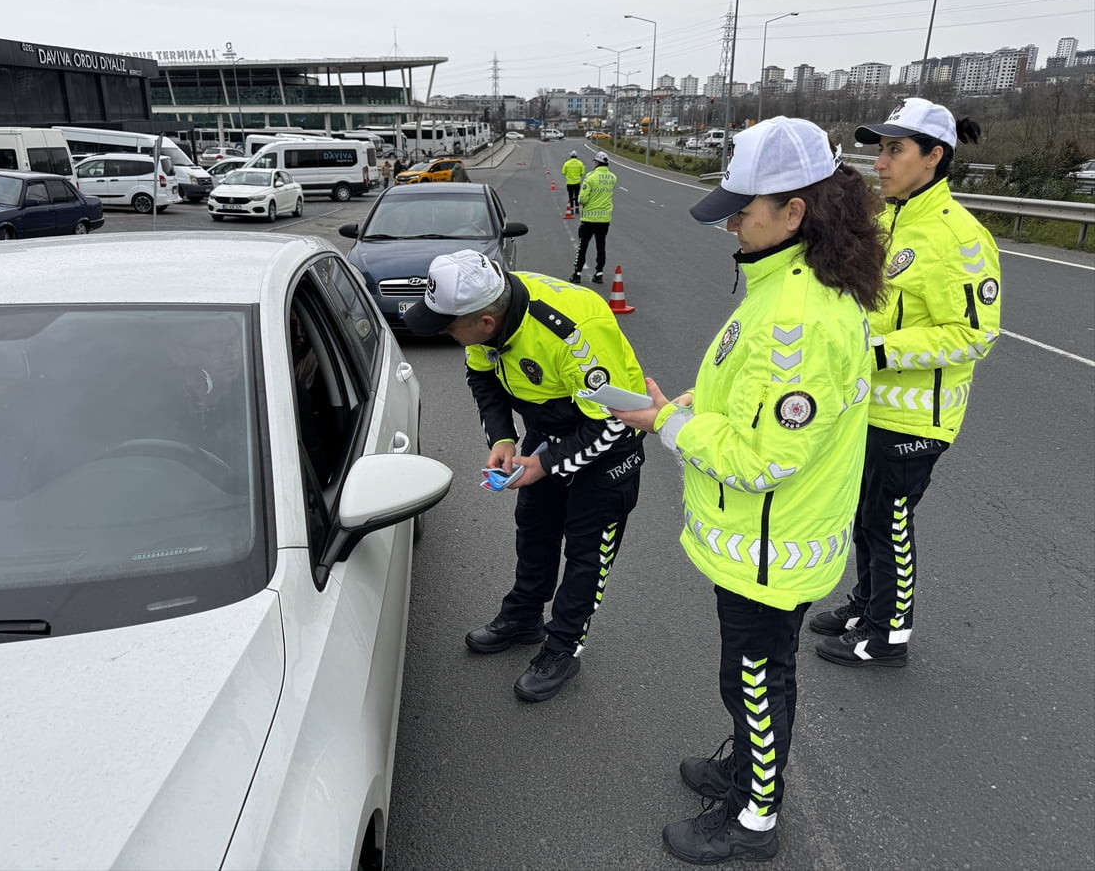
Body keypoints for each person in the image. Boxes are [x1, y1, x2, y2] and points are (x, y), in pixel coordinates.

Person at [611, 117, 886, 865]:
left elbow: (765, 459)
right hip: (770, 536)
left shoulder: (799, 319)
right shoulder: (789, 285)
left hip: (772, 543)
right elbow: (749, 399)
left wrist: (669, 424)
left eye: (743, 209)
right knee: (759, 675)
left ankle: (754, 816)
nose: (731, 222)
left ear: (794, 211)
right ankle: (746, 770)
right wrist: (685, 405)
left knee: (756, 681)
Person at [403, 249, 647, 703]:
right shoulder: (486, 309)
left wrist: (546, 464)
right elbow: (483, 379)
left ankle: (563, 648)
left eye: (448, 328)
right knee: (534, 528)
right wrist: (502, 438)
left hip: (610, 441)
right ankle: (523, 616)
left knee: (587, 555)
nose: (447, 335)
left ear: (486, 323)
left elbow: (614, 421)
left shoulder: (573, 333)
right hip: (549, 428)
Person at [810, 98, 1000, 668]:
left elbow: (973, 334)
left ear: (934, 156)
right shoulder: (894, 221)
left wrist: (875, 353)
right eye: (879, 150)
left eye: (895, 150)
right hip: (869, 408)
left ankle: (888, 634)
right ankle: (867, 604)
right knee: (865, 516)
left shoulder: (958, 237)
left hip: (916, 416)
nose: (880, 163)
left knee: (888, 521)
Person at [572, 151, 615, 285]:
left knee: (582, 246)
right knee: (601, 246)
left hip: (589, 219)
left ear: (596, 163)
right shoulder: (613, 178)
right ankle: (599, 273)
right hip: (604, 219)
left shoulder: (590, 177)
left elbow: (582, 199)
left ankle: (577, 273)